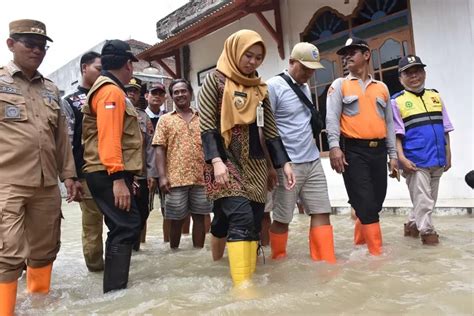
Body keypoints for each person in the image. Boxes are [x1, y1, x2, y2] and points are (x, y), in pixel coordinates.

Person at [198, 29, 295, 287]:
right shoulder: (214, 81)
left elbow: (271, 130)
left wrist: (283, 163)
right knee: (240, 218)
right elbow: (207, 126)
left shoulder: (260, 88)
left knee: (238, 220)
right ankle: (244, 288)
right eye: (248, 55)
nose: (252, 62)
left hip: (255, 164)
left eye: (258, 57)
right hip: (224, 160)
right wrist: (216, 161)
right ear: (234, 51)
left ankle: (230, 268)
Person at [0, 19, 79, 315]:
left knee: (45, 250)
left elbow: (61, 138)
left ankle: (38, 306)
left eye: (41, 46)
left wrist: (69, 175)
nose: (37, 50)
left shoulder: (50, 89)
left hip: (47, 184)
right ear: (11, 44)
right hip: (8, 182)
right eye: (29, 44)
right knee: (7, 252)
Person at [326, 37, 398, 256]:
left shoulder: (382, 88)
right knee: (366, 203)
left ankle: (360, 244)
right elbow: (331, 118)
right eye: (344, 54)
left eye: (352, 52)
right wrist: (334, 147)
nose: (346, 57)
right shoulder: (340, 85)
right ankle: (377, 256)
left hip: (379, 151)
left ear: (366, 55)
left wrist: (393, 154)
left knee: (376, 201)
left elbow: (389, 124)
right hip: (353, 151)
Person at [82, 39, 143, 293]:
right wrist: (118, 179)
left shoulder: (107, 88)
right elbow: (109, 136)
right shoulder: (111, 91)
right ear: (128, 64)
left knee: (121, 225)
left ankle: (115, 291)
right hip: (107, 172)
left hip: (104, 170)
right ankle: (115, 293)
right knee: (126, 225)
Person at [267, 42, 335, 263]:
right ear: (291, 62)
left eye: (312, 69)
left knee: (321, 210)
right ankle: (279, 260)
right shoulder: (273, 86)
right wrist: (272, 165)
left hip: (313, 159)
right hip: (288, 164)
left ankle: (325, 262)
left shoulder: (305, 86)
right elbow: (266, 129)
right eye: (304, 68)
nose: (309, 74)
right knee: (283, 217)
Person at [391, 55, 454, 245]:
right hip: (415, 160)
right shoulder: (397, 101)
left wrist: (448, 153)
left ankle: (411, 225)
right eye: (408, 73)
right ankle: (428, 235)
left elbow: (445, 128)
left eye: (417, 71)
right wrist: (401, 158)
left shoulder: (435, 96)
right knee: (424, 201)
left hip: (438, 158)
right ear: (401, 78)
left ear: (424, 73)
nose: (414, 76)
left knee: (429, 200)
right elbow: (396, 135)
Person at [153, 79, 211, 249]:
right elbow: (159, 149)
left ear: (190, 93)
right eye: (176, 92)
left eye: (183, 91)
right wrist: (162, 177)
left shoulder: (203, 117)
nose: (180, 94)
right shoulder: (165, 120)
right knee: (176, 219)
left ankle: (197, 253)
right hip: (175, 179)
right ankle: (174, 253)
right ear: (171, 96)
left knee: (200, 216)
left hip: (201, 177)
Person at [64, 51, 105, 271]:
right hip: (86, 174)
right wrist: (72, 176)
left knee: (122, 225)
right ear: (84, 68)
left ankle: (119, 274)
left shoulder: (110, 96)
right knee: (92, 228)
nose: (102, 74)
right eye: (98, 69)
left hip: (113, 172)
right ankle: (97, 272)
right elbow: (68, 142)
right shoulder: (70, 101)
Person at [125, 77, 158, 250]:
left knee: (143, 212)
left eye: (135, 90)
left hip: (142, 174)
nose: (132, 93)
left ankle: (135, 250)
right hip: (122, 175)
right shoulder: (116, 111)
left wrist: (152, 173)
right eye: (129, 89)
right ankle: (125, 250)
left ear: (139, 95)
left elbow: (151, 147)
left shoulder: (144, 118)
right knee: (124, 216)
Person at [145, 82, 171, 241]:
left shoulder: (169, 117)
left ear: (165, 97)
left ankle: (168, 246)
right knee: (142, 212)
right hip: (144, 171)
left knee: (168, 210)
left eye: (160, 93)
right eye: (153, 93)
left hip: (166, 171)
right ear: (146, 96)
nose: (157, 96)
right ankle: (141, 246)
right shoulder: (138, 116)